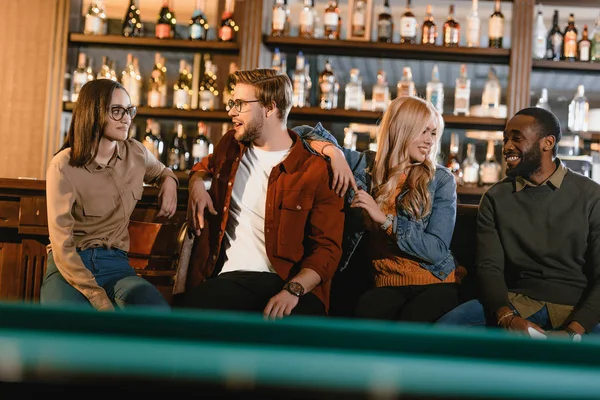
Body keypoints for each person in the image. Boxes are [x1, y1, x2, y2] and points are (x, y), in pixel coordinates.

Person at [183, 68, 344, 319]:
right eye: (232, 102)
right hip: (228, 281)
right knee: (188, 318)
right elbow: (204, 165)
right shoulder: (230, 146)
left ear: (269, 108)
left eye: (240, 104)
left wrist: (293, 290)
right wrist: (195, 184)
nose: (231, 112)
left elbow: (327, 249)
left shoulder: (315, 170)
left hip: (288, 283)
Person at [294, 96, 460, 322]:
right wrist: (335, 153)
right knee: (365, 319)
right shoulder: (364, 166)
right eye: (423, 131)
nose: (430, 141)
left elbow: (437, 250)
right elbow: (300, 132)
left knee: (408, 329)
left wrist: (385, 220)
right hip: (384, 285)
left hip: (435, 281)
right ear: (401, 130)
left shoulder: (441, 179)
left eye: (433, 133)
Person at [437, 107, 600, 339]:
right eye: (505, 139)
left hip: (577, 309)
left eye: (516, 138)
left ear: (548, 143)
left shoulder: (592, 195)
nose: (507, 147)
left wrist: (574, 331)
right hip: (516, 304)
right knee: (443, 332)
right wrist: (506, 317)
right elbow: (489, 267)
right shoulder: (495, 197)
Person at [42, 79, 178, 311]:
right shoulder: (63, 165)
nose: (127, 118)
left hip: (115, 263)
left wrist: (170, 182)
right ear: (92, 113)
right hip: (69, 265)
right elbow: (63, 247)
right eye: (117, 111)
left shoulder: (136, 153)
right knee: (64, 328)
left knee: (157, 312)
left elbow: (164, 171)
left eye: (129, 110)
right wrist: (99, 299)